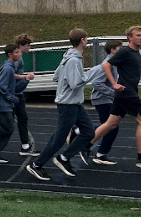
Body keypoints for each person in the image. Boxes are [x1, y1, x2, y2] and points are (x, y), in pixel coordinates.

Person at [27, 28, 96, 182]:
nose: (87, 41)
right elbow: (75, 83)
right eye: (86, 38)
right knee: (58, 139)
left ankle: (64, 158)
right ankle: (36, 165)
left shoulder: (68, 57)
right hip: (68, 105)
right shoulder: (73, 60)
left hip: (74, 104)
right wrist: (91, 73)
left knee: (89, 132)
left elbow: (56, 77)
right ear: (83, 40)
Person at [90, 26, 141, 168]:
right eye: (138, 35)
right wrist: (114, 83)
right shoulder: (125, 51)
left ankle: (85, 145)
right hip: (127, 94)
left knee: (111, 124)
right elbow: (106, 65)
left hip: (124, 94)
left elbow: (130, 66)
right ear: (130, 37)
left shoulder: (135, 52)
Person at [67, 39, 124, 165]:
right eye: (121, 48)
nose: (123, 50)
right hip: (102, 99)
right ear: (113, 50)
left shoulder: (114, 62)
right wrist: (113, 92)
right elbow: (97, 82)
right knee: (111, 126)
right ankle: (98, 152)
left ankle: (83, 136)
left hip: (105, 99)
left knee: (109, 126)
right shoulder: (107, 64)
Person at [13, 33, 39, 157]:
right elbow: (9, 74)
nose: (29, 48)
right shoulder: (18, 59)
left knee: (22, 119)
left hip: (17, 93)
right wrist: (26, 78)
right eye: (28, 45)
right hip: (14, 93)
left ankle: (25, 146)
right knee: (5, 123)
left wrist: (24, 77)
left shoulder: (19, 58)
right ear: (21, 46)